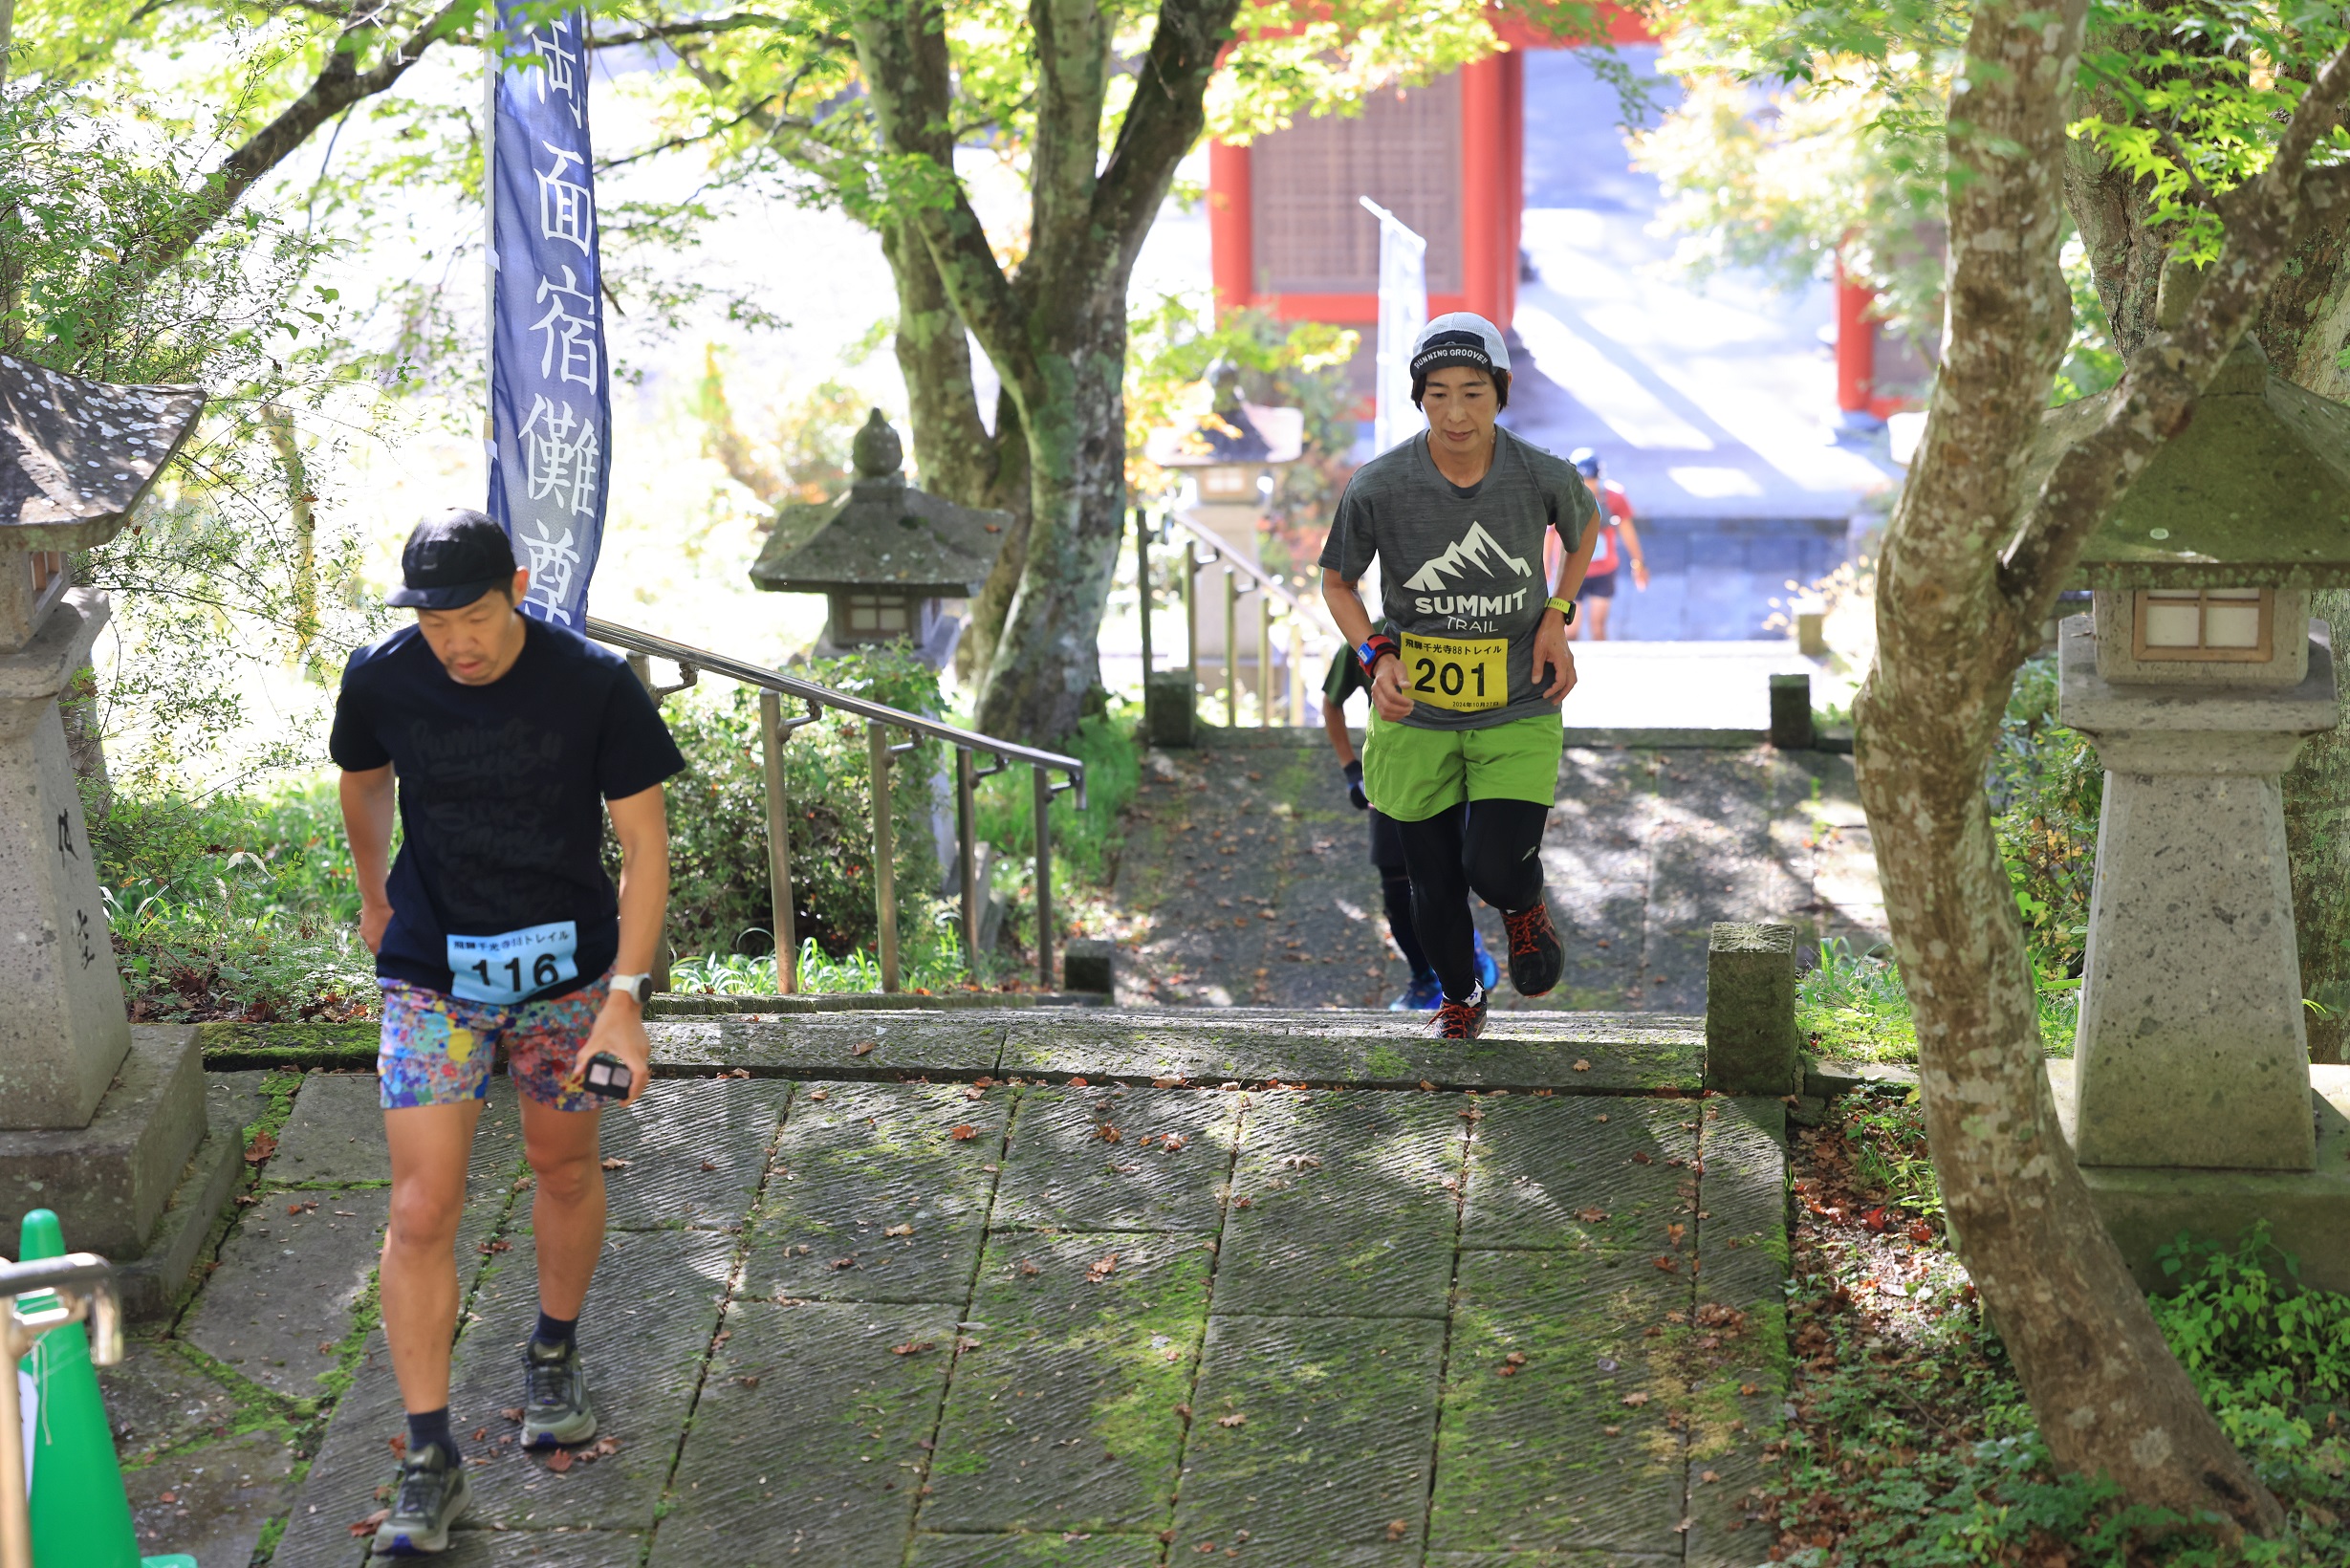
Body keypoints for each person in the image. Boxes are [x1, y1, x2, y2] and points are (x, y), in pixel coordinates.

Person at [331, 510, 685, 1556]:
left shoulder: (594, 683)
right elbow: (362, 777)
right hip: (433, 971)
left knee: (562, 1165)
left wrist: (626, 992)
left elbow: (644, 842)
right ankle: (428, 1454)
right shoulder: (383, 674)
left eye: (474, 614)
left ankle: (552, 1349)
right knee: (419, 1201)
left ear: (519, 586)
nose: (456, 642)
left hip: (569, 976)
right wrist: (371, 895)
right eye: (435, 622)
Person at [1318, 313, 1599, 1039]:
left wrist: (1556, 613)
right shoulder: (1378, 486)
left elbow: (1583, 529)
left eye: (1473, 392)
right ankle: (1459, 995)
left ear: (1500, 394)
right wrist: (1375, 656)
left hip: (1517, 699)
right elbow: (1338, 583)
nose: (1455, 412)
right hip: (1415, 711)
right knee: (1429, 880)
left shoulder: (1542, 474)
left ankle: (1523, 908)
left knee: (1494, 866)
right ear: (1418, 399)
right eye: (1437, 393)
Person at [1320, 647, 1498, 1010]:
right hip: (1393, 770)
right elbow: (1331, 703)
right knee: (1398, 895)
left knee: (1445, 875)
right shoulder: (1367, 636)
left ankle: (1467, 958)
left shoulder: (1456, 628)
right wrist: (1351, 770)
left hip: (1455, 769)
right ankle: (1424, 977)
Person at [1561, 447, 1645, 641]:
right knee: (1570, 631)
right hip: (1572, 570)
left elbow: (1627, 531)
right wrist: (1547, 567)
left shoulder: (1614, 497)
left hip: (1604, 570)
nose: (1588, 486)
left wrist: (1638, 563)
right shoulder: (1564, 496)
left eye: (1591, 480)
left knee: (1598, 627)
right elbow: (1550, 532)